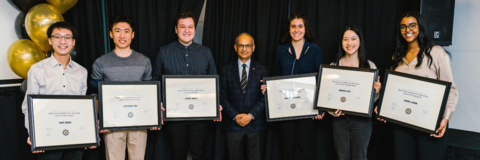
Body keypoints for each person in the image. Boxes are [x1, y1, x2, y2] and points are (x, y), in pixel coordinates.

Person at [375, 11, 458, 160]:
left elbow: (451, 90)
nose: (408, 30)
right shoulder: (397, 55)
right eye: (403, 26)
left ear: (420, 27)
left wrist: (445, 118)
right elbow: (394, 89)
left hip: (429, 122)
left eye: (412, 25)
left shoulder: (436, 53)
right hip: (402, 122)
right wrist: (383, 105)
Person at [151, 11, 221, 160]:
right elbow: (155, 80)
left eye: (190, 27)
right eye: (182, 27)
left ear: (195, 29)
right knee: (177, 155)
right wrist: (159, 104)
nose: (187, 30)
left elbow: (213, 80)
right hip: (174, 116)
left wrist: (217, 105)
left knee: (200, 153)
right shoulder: (164, 52)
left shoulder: (206, 52)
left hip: (201, 116)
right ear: (176, 29)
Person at [21, 21, 95, 159]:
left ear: (73, 42)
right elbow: (28, 106)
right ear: (50, 40)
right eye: (57, 37)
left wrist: (88, 133)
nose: (63, 41)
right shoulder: (37, 70)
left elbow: (82, 107)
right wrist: (33, 134)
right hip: (48, 136)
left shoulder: (81, 72)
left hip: (74, 137)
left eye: (67, 37)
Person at [90, 14, 157, 160]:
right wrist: (101, 118)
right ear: (111, 34)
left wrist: (153, 117)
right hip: (112, 123)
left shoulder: (144, 61)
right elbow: (94, 94)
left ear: (132, 35)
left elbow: (149, 93)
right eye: (118, 30)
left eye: (126, 31)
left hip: (139, 122)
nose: (122, 35)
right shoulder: (101, 62)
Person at [262, 13, 324, 160]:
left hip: (308, 107)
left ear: (305, 28)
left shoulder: (314, 49)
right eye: (293, 26)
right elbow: (277, 77)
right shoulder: (281, 50)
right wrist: (269, 90)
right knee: (287, 149)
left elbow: (320, 78)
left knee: (304, 149)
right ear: (289, 29)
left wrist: (320, 109)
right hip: (285, 107)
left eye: (300, 26)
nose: (297, 30)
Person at [329, 25, 381, 160]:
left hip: (362, 121)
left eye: (353, 39)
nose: (349, 43)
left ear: (360, 41)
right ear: (341, 42)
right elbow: (328, 96)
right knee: (342, 157)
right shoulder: (333, 66)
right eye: (345, 39)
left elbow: (373, 99)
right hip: (339, 121)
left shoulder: (370, 66)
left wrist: (377, 91)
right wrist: (331, 111)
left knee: (360, 157)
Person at [220, 33, 268, 160]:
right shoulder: (225, 70)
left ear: (253, 47)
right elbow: (222, 96)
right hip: (233, 124)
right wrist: (236, 116)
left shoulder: (262, 69)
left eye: (248, 45)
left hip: (256, 124)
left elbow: (265, 97)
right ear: (235, 47)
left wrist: (250, 115)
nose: (244, 49)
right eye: (241, 45)